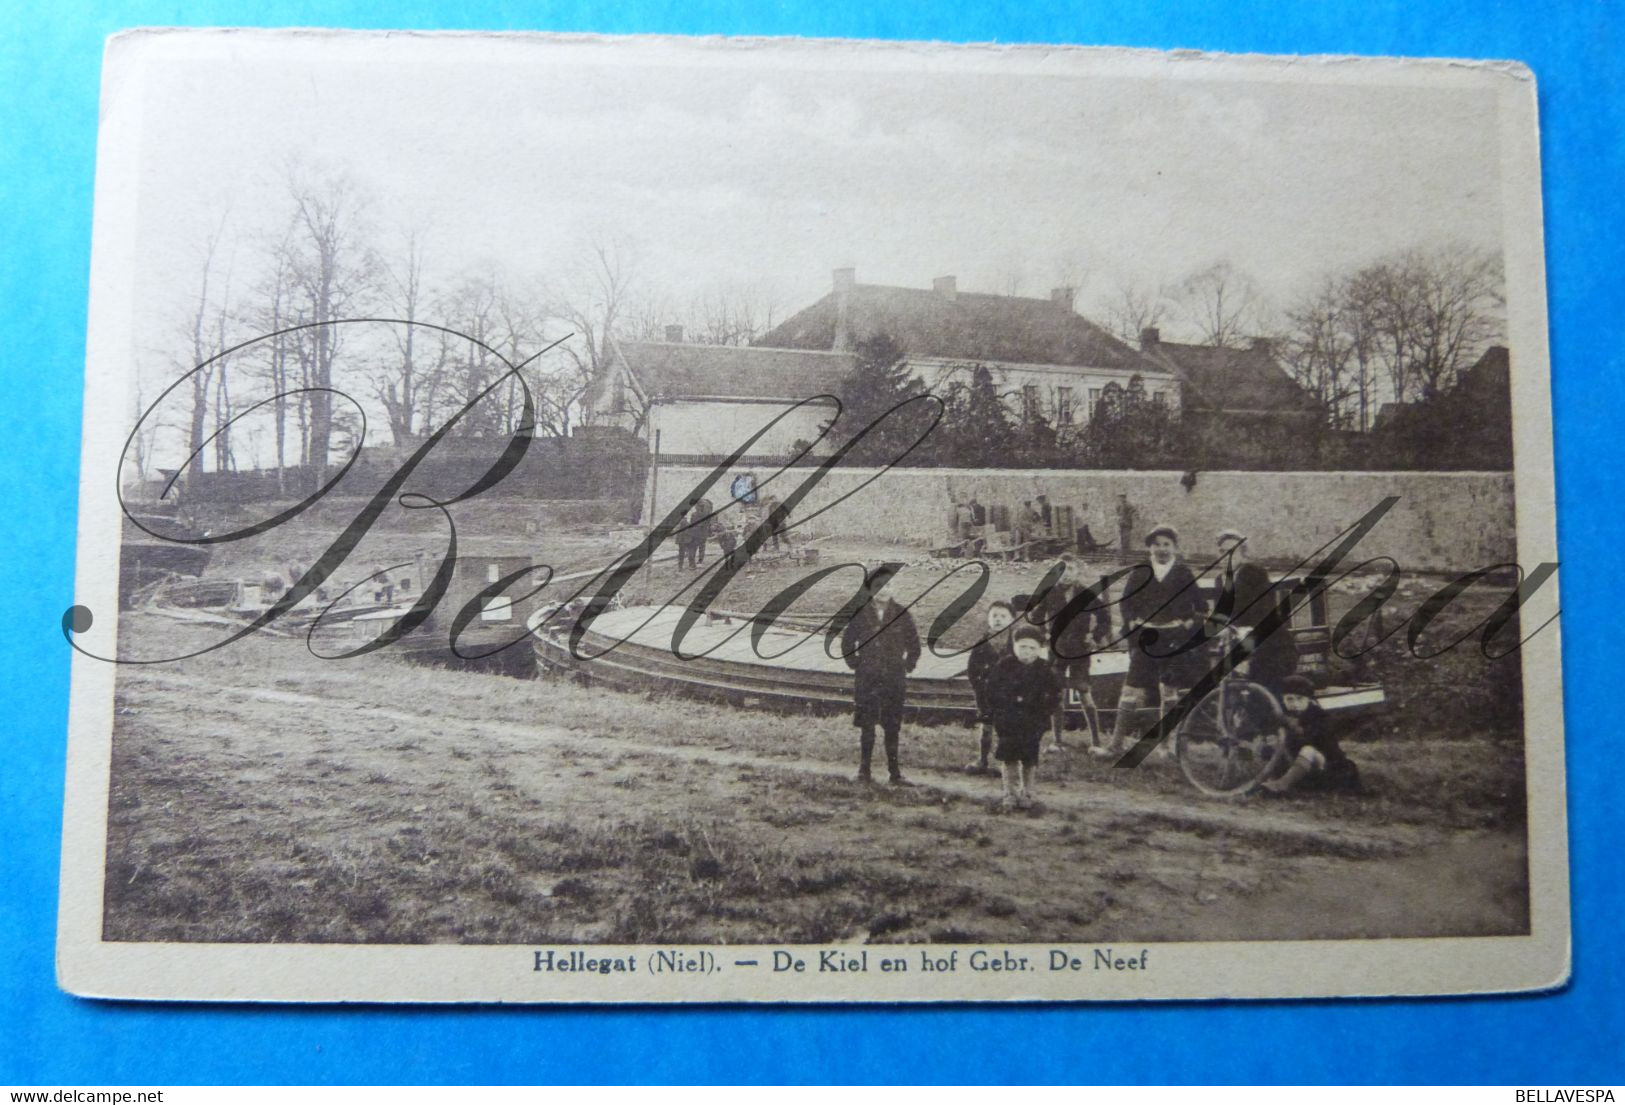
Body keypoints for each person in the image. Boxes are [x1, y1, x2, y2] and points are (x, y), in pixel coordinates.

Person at [1091, 524, 1206, 761]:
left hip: (1174, 639)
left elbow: (1200, 606)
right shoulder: (1141, 571)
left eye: (1167, 545)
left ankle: (1169, 746)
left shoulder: (1183, 573)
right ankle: (1115, 745)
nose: (1162, 549)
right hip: (1146, 638)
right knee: (1130, 689)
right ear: (1149, 548)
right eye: (1157, 545)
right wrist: (1132, 625)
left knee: (1169, 690)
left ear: (1174, 547)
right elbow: (1126, 604)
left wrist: (1187, 626)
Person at [841, 564, 921, 786]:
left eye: (887, 585)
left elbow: (914, 645)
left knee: (892, 726)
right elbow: (847, 643)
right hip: (867, 680)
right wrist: (856, 664)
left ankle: (895, 773)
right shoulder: (860, 614)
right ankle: (864, 771)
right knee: (867, 726)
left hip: (893, 680)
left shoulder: (902, 614)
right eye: (877, 586)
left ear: (895, 587)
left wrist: (907, 666)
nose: (883, 590)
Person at [1028, 556, 1109, 752]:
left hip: (1080, 650)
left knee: (1084, 693)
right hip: (1057, 650)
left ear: (1077, 572)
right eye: (1061, 570)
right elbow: (1035, 617)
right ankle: (1057, 741)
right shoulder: (1050, 593)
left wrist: (1094, 635)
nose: (1066, 575)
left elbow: (1104, 617)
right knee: (1057, 694)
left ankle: (1096, 742)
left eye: (1070, 569)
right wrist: (1044, 634)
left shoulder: (1086, 593)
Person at [1211, 529, 1298, 693]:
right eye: (1222, 552)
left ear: (1243, 553)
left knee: (1261, 674)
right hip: (1236, 636)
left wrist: (1247, 628)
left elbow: (1266, 607)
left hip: (1266, 635)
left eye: (1232, 551)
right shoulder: (1220, 579)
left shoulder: (1255, 573)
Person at [989, 624, 1061, 810]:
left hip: (1032, 721)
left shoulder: (1044, 669)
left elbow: (1054, 695)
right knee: (1009, 756)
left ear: (1039, 650)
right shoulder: (1004, 666)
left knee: (1029, 757)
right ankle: (1009, 793)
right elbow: (993, 691)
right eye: (1022, 647)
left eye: (1032, 648)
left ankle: (1027, 793)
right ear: (1014, 646)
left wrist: (1044, 715)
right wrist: (1000, 712)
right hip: (1009, 720)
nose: (1027, 652)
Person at [1261, 675, 1361, 794]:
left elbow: (1316, 741)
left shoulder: (1318, 716)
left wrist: (1293, 730)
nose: (1295, 704)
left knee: (1308, 750)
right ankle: (1275, 779)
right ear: (1282, 699)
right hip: (1299, 766)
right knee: (1271, 743)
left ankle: (1282, 785)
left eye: (1300, 699)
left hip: (1326, 767)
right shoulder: (1283, 715)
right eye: (1289, 699)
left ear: (1309, 699)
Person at [965, 600, 1016, 775]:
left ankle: (1003, 763)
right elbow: (972, 670)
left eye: (1003, 616)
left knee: (1006, 728)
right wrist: (980, 689)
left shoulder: (1016, 644)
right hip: (986, 694)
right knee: (986, 727)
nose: (998, 620)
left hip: (1010, 695)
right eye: (994, 616)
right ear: (988, 618)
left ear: (1012, 620)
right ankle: (982, 760)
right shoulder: (981, 644)